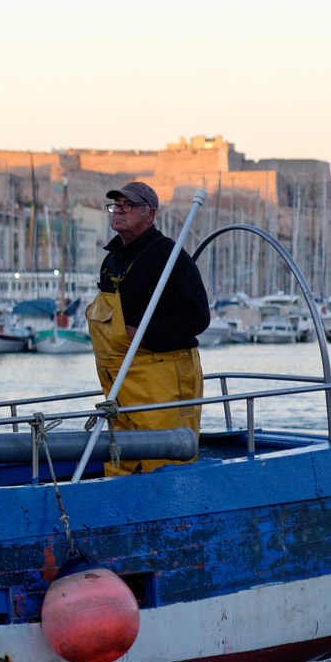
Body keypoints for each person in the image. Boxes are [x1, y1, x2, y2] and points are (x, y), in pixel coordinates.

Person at [87, 181, 210, 475]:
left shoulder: (169, 256)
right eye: (115, 205)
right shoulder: (112, 260)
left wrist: (142, 334)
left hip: (162, 383)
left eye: (128, 205)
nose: (118, 210)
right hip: (119, 384)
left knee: (165, 463)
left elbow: (197, 317)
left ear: (150, 214)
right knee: (120, 462)